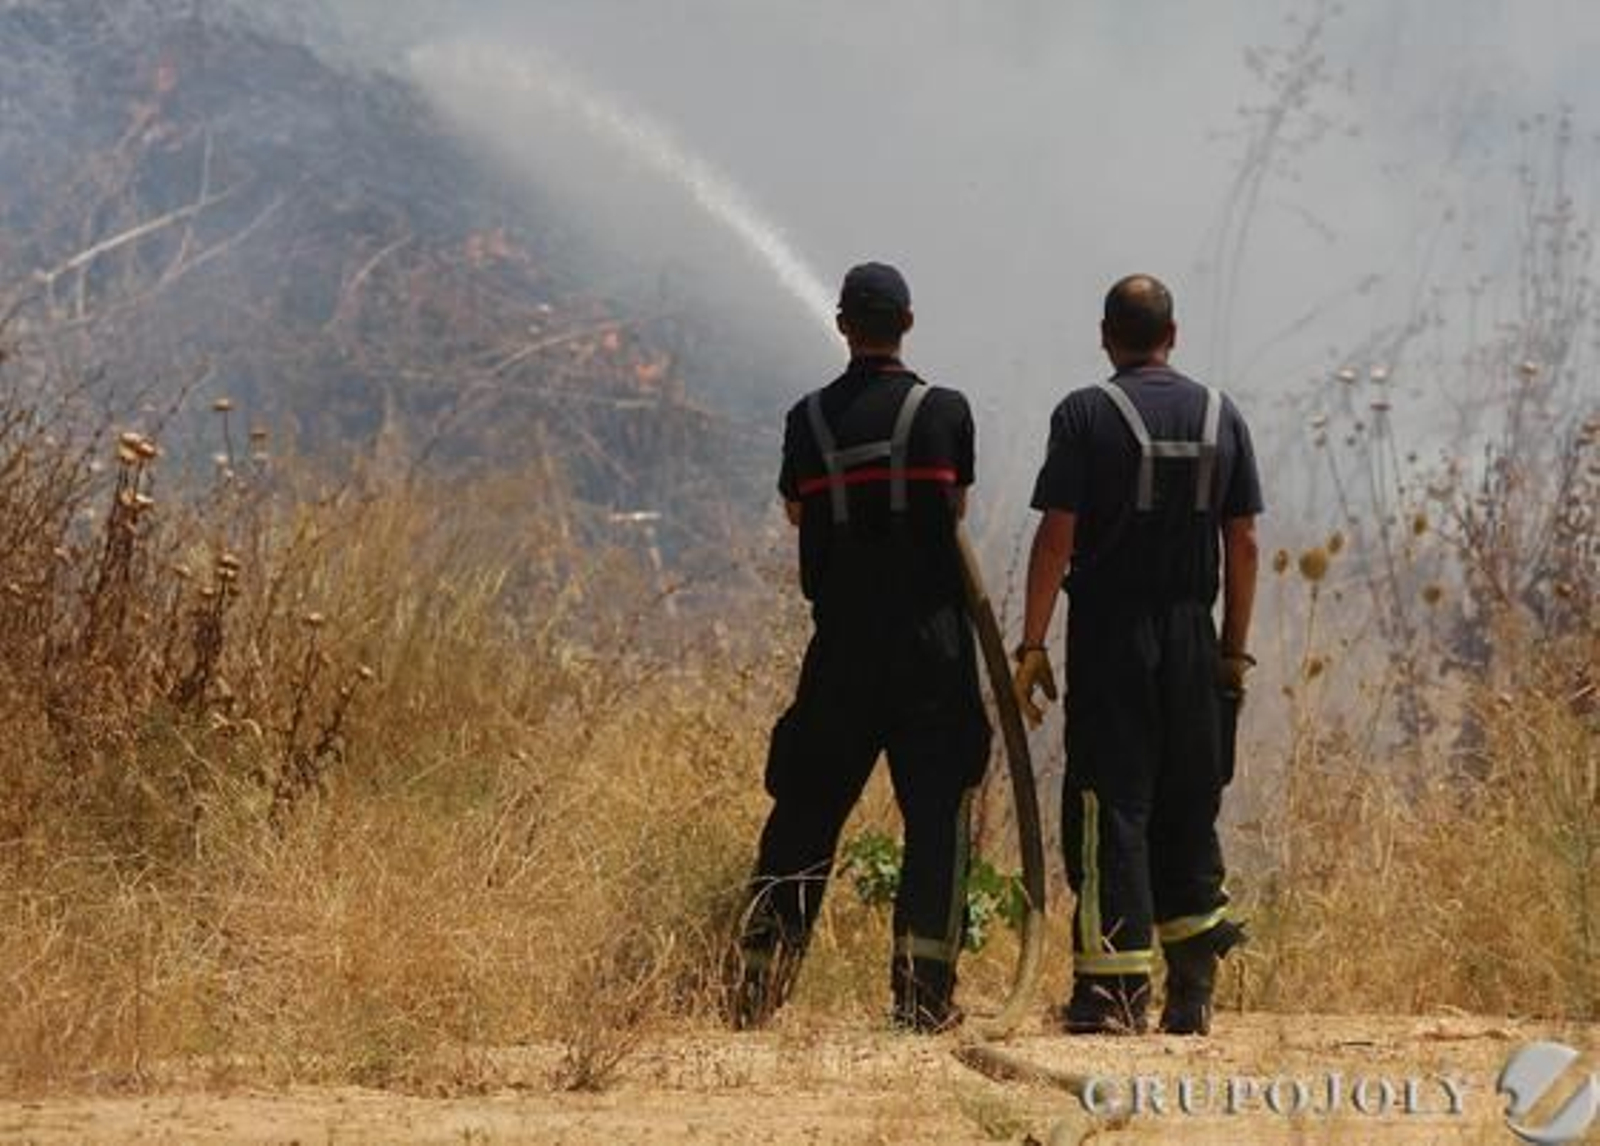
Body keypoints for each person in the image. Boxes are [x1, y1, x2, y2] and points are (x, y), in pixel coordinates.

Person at [729, 262, 992, 1033]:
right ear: (908, 322)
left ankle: (757, 987)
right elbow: (956, 506)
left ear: (843, 326)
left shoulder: (806, 421)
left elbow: (794, 514)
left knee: (805, 811)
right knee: (937, 820)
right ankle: (923, 999)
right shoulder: (945, 412)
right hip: (932, 650)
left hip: (842, 645)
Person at [1013, 274, 1262, 1036]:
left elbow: (1057, 535)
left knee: (1109, 804)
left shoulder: (1086, 414)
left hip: (1113, 638)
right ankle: (1191, 990)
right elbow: (1244, 541)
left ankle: (1112, 997)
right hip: (1195, 634)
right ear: (1173, 334)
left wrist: (1031, 641)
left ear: (1104, 336)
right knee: (1190, 797)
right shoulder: (1224, 416)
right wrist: (1232, 652)